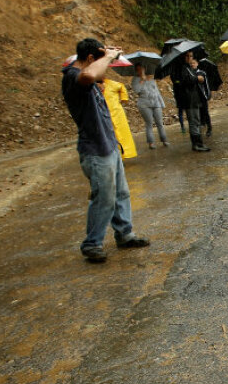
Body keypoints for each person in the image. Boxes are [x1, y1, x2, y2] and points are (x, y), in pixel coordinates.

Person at [60, 38, 150, 263]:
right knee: (104, 198)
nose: (106, 72)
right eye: (104, 65)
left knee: (121, 194)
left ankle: (125, 234)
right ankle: (92, 243)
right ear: (90, 59)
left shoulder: (91, 82)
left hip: (108, 147)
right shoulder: (73, 77)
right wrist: (108, 56)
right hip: (95, 151)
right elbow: (89, 75)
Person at [171, 50, 209, 152]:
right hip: (188, 99)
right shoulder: (181, 68)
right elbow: (185, 81)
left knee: (197, 120)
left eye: (191, 56)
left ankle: (199, 143)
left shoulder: (189, 68)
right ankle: (196, 144)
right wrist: (197, 79)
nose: (189, 58)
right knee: (193, 121)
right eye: (187, 56)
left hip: (194, 98)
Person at [99, 77, 138, 159]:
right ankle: (115, 156)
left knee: (122, 134)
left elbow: (122, 86)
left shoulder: (111, 83)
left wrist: (124, 98)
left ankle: (125, 153)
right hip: (104, 115)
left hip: (117, 113)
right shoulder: (93, 87)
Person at [131, 65, 168, 149]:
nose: (141, 70)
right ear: (136, 70)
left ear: (145, 69)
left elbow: (157, 92)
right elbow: (137, 90)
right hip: (144, 104)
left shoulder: (151, 79)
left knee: (160, 123)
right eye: (139, 69)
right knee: (149, 123)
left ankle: (164, 140)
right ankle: (151, 143)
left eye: (142, 68)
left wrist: (162, 103)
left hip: (156, 103)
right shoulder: (135, 80)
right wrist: (141, 80)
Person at [188, 55, 213, 139]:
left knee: (205, 112)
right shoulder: (189, 73)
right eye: (191, 63)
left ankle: (209, 128)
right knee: (198, 114)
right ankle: (201, 126)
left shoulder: (201, 72)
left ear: (197, 64)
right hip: (194, 97)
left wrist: (208, 95)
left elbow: (203, 82)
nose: (192, 64)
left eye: (194, 63)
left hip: (202, 96)